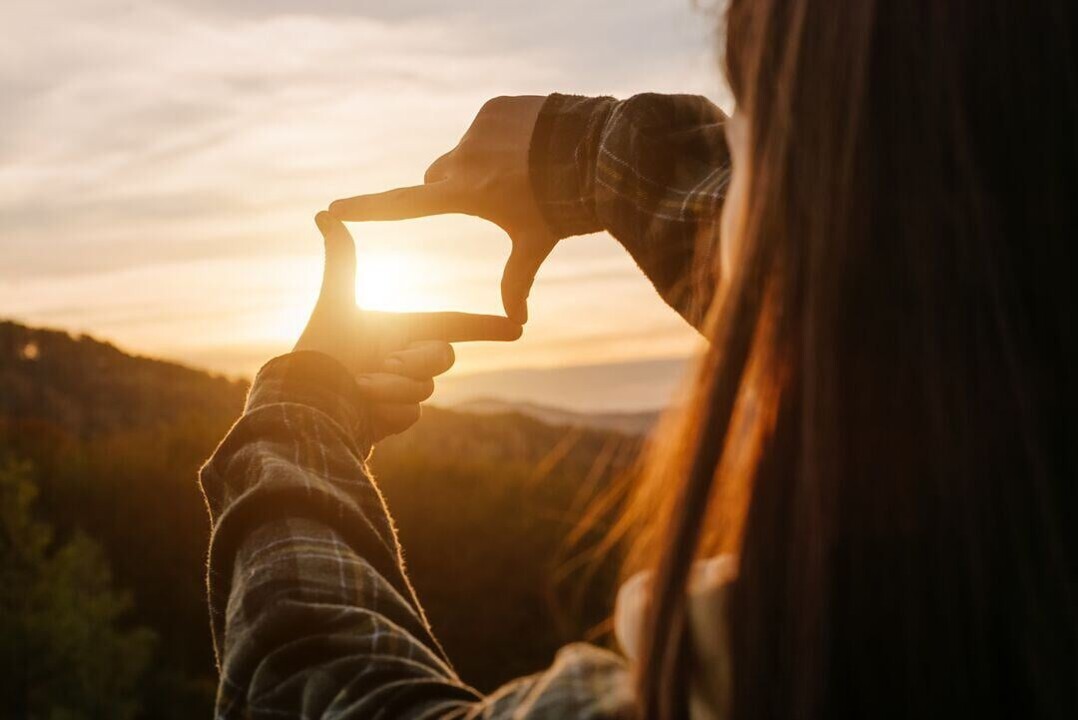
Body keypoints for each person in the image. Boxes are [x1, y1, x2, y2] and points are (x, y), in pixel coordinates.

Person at [200, 0, 1077, 718]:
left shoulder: (762, 688)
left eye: (757, 122)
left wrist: (300, 417)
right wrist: (581, 154)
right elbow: (927, 271)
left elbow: (310, 687)